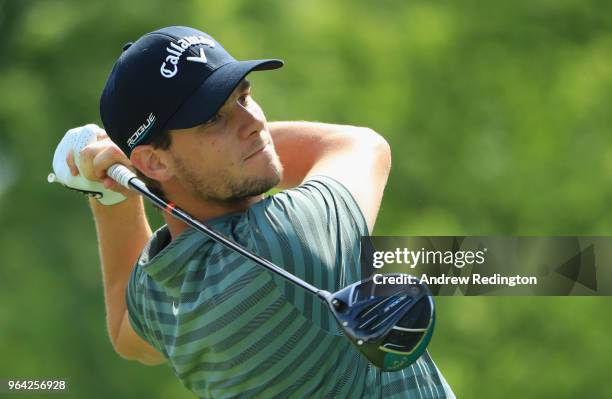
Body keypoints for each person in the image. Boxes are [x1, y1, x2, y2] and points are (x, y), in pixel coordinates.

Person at [57, 26, 456, 398]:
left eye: (244, 97)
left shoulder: (164, 294)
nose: (255, 123)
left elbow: (126, 332)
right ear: (156, 163)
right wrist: (131, 163)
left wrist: (112, 192)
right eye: (215, 118)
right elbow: (362, 146)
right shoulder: (284, 242)